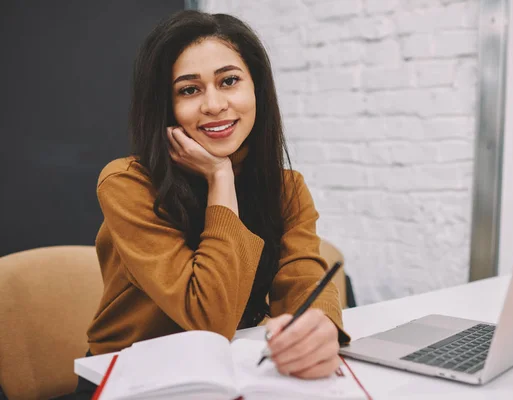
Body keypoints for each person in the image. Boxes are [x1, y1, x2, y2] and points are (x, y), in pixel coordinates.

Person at [73, 9, 349, 398]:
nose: (214, 104)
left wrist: (321, 327)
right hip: (129, 379)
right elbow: (210, 318)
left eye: (229, 81)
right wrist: (220, 179)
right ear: (166, 106)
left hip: (237, 369)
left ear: (258, 90)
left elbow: (302, 280)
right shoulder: (128, 183)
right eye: (189, 89)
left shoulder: (286, 188)